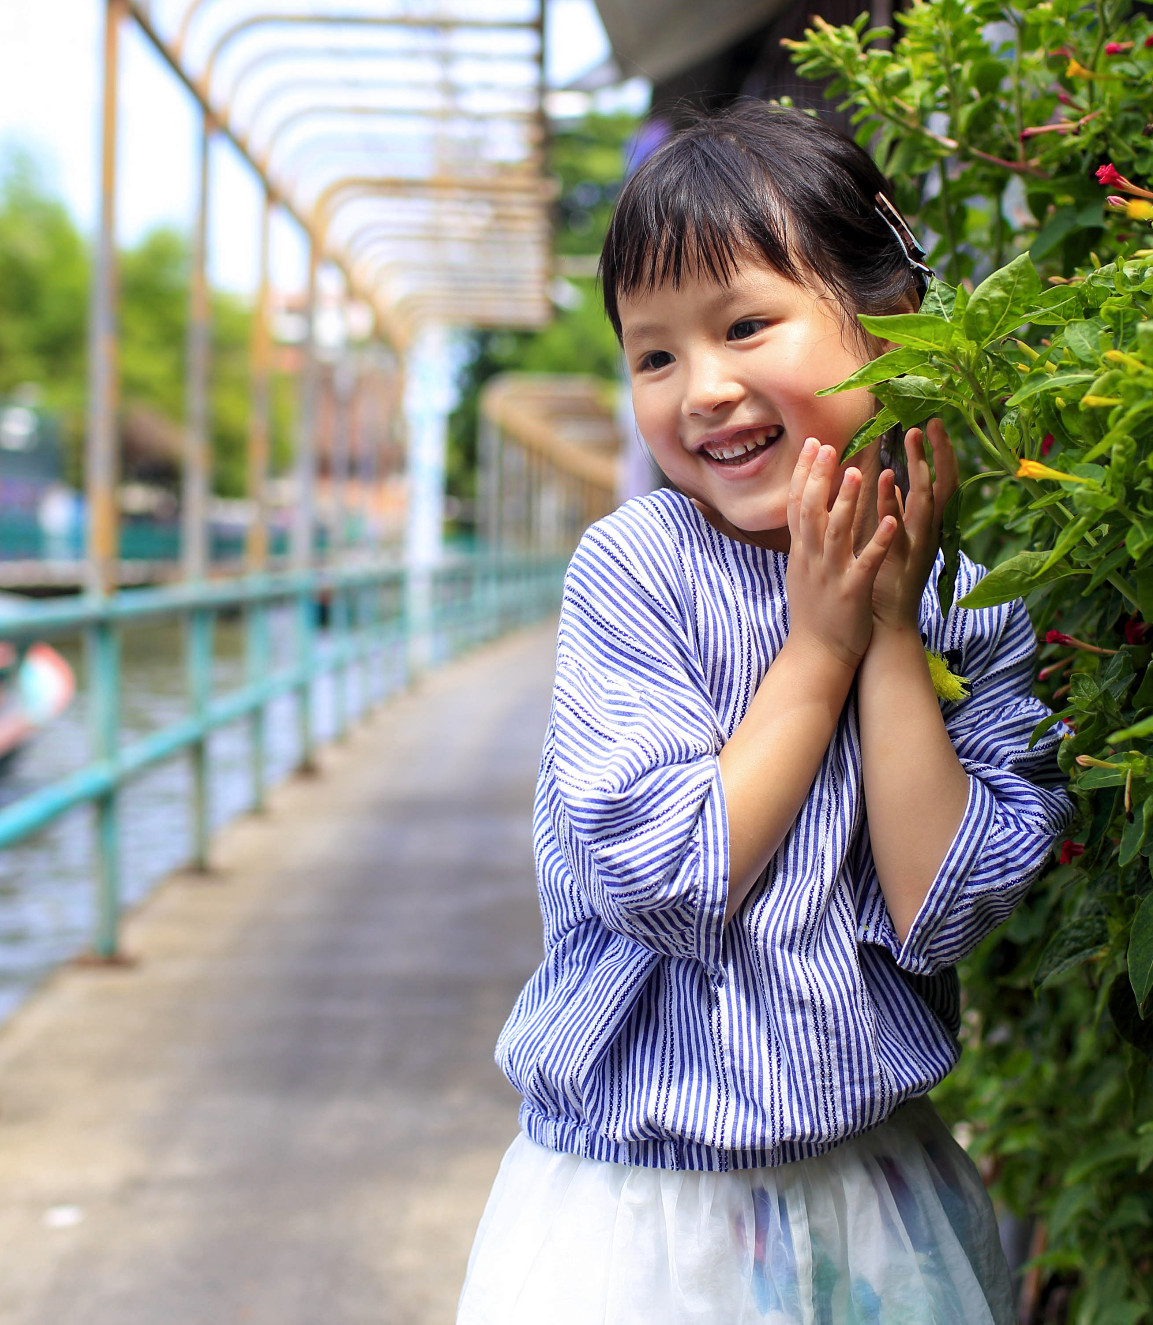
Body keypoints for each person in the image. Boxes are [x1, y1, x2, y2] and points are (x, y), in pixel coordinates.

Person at [457, 101, 1073, 1324]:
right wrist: (820, 645)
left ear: (887, 322)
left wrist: (890, 630)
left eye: (745, 325)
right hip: (641, 1220)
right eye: (654, 354)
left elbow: (944, 908)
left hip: (877, 1194)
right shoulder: (639, 571)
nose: (704, 389)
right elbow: (662, 876)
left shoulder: (963, 595)